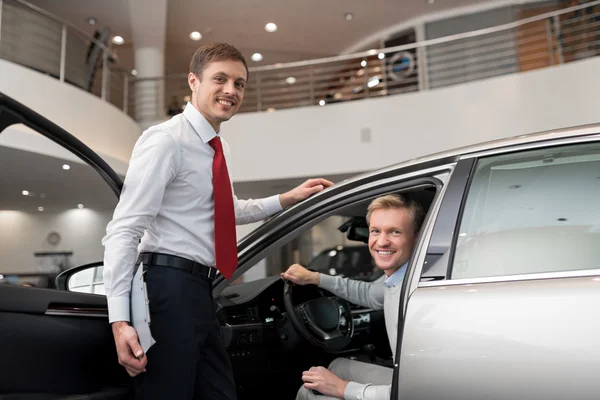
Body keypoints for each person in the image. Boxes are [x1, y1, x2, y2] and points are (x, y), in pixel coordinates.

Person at [102, 42, 333, 400]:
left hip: (200, 292)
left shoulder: (212, 147)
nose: (231, 90)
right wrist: (119, 322)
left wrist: (287, 199)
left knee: (220, 393)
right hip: (167, 287)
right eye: (220, 79)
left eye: (239, 84)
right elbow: (124, 229)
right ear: (193, 81)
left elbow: (225, 211)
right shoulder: (167, 141)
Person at [281, 194, 425, 400]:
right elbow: (368, 294)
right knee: (337, 366)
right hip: (406, 380)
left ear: (417, 237)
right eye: (376, 231)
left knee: (309, 393)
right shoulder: (401, 278)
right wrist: (315, 278)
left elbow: (416, 392)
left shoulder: (418, 295)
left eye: (395, 232)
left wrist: (342, 388)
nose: (382, 242)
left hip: (414, 390)